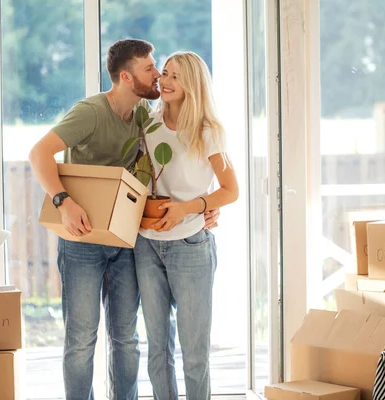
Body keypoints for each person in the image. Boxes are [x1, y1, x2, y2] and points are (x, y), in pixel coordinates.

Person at [28, 40, 220, 400]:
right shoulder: (91, 112)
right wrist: (63, 201)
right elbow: (38, 153)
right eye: (151, 68)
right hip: (81, 240)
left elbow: (181, 160)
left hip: (126, 240)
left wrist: (207, 204)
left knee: (126, 338)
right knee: (82, 338)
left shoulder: (146, 118)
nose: (158, 75)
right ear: (126, 77)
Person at [134, 51, 239, 400]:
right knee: (157, 348)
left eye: (175, 76)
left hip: (190, 245)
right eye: (164, 73)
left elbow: (230, 190)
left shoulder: (207, 131)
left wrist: (190, 209)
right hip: (146, 244)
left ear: (192, 83)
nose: (165, 80)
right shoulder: (147, 123)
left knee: (194, 353)